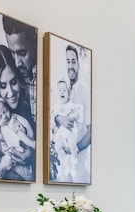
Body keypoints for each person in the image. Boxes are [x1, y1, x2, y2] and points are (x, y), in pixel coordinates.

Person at [0, 45, 34, 180]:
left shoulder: (27, 106)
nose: (10, 92)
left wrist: (32, 156)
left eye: (13, 82)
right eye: (3, 86)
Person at [53, 44, 91, 182]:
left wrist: (73, 149)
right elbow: (51, 116)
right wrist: (59, 118)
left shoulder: (86, 93)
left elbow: (91, 132)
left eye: (73, 61)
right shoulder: (60, 91)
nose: (70, 65)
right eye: (68, 61)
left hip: (79, 160)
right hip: (61, 161)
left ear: (79, 64)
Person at [2, 15, 37, 121]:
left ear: (35, 42)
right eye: (12, 52)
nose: (17, 63)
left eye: (22, 53)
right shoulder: (10, 70)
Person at [51, 79, 83, 182]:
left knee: (72, 143)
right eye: (60, 90)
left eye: (64, 90)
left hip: (70, 132)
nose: (62, 92)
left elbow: (77, 114)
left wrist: (72, 116)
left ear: (68, 93)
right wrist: (54, 120)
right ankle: (65, 160)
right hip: (60, 133)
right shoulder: (56, 107)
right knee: (57, 146)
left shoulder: (71, 105)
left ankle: (74, 162)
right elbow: (52, 120)